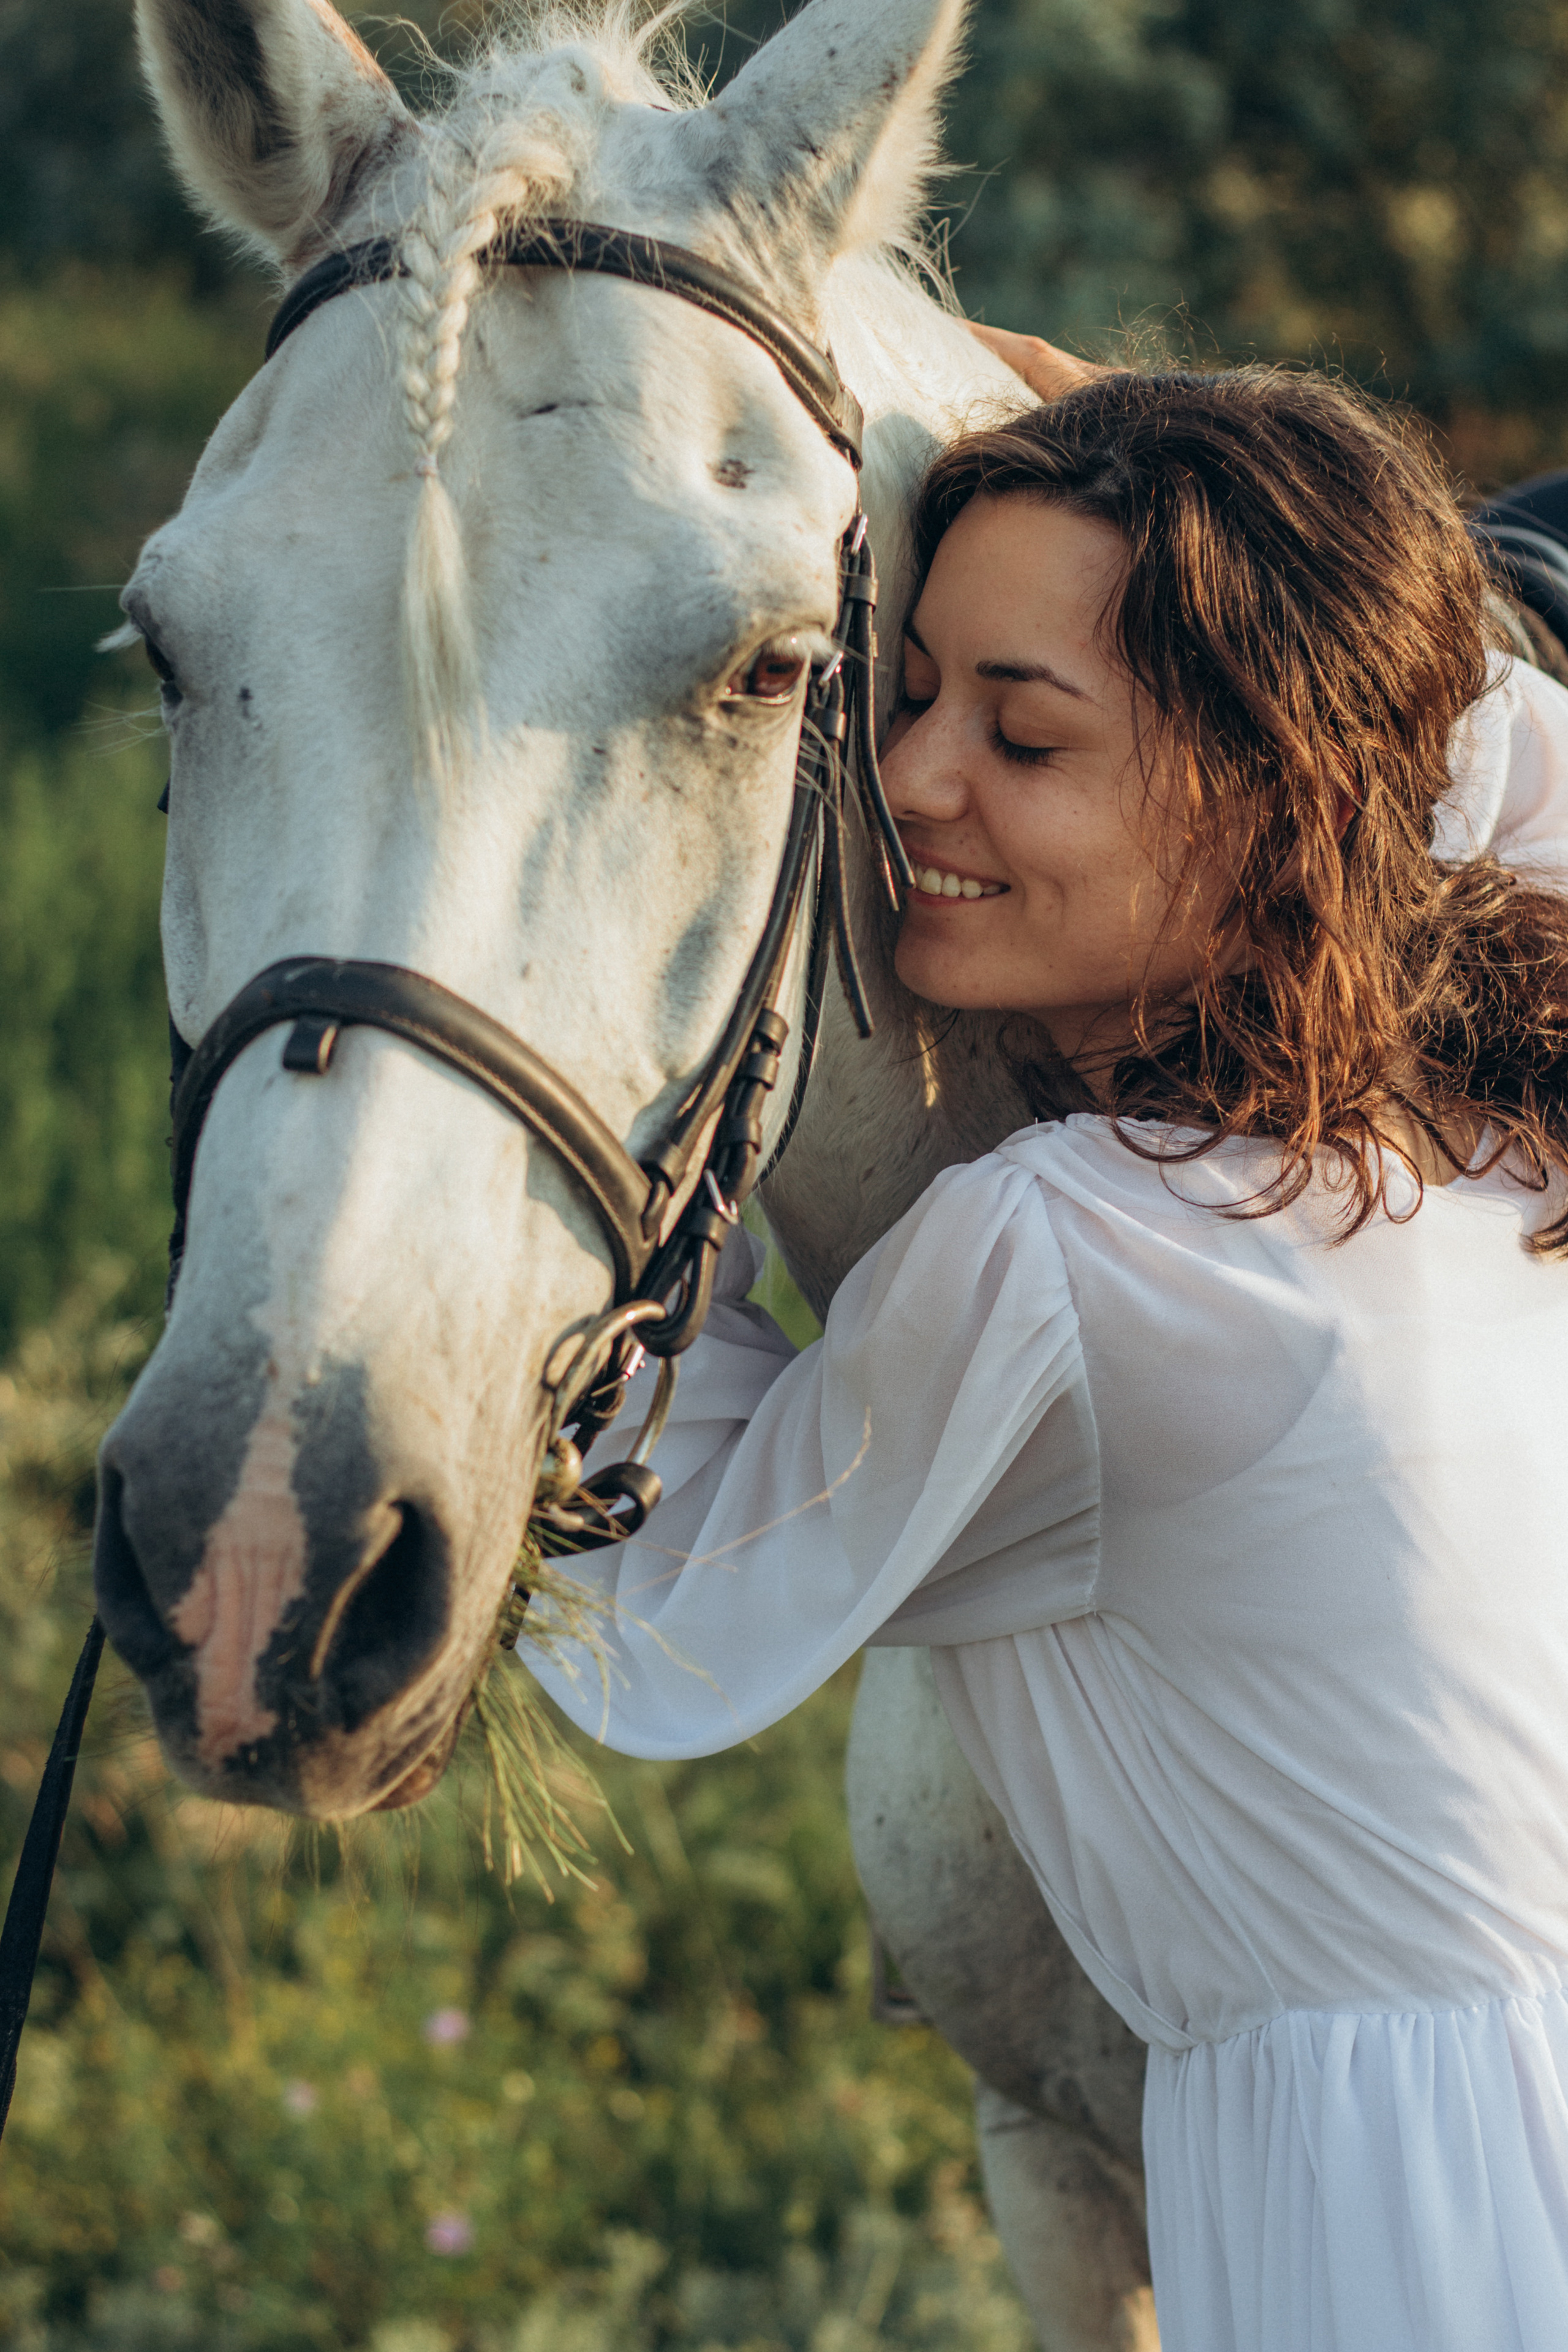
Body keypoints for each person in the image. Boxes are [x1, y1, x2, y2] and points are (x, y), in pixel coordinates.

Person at [524, 364, 1568, 2351]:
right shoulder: (1486, 1126)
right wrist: (1261, 509)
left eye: (1022, 733)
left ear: (1278, 790)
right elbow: (1507, 774)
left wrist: (647, 1110)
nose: (913, 780)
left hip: (1402, 2211)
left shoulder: (1075, 1253)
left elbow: (657, 1602)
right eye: (908, 694)